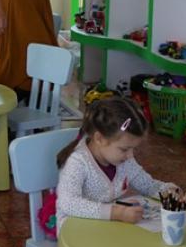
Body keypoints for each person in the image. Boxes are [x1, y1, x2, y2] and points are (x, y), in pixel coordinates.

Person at [56, 97, 172, 226]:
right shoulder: (77, 162)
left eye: (133, 149)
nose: (130, 156)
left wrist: (168, 191)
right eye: (124, 149)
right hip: (75, 228)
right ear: (100, 139)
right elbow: (68, 203)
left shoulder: (124, 160)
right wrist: (116, 213)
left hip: (106, 226)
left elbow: (147, 185)